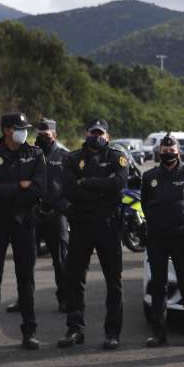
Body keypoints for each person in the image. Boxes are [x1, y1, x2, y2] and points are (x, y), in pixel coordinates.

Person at [0, 112, 45, 351]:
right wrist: (20, 186)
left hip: (24, 222)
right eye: (18, 128)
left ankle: (29, 331)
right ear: (6, 130)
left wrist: (5, 187)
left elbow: (38, 190)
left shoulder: (35, 154)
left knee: (26, 279)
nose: (23, 132)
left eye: (25, 128)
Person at [58, 119, 129, 350]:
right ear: (86, 133)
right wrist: (101, 187)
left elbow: (118, 184)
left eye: (100, 133)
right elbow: (69, 188)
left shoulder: (117, 157)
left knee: (114, 282)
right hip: (81, 224)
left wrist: (87, 183)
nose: (96, 136)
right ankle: (75, 329)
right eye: (93, 132)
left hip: (108, 226)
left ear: (107, 136)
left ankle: (112, 332)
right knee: (74, 279)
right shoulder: (72, 158)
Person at [141, 134, 184, 348]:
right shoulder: (149, 176)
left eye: (171, 150)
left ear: (178, 151)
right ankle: (158, 334)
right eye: (164, 149)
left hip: (180, 237)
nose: (168, 153)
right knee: (159, 286)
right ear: (159, 151)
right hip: (157, 238)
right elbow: (145, 204)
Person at [33, 118, 71, 314]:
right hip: (33, 213)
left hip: (56, 215)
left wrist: (59, 208)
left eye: (46, 135)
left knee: (61, 260)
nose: (42, 138)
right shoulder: (31, 154)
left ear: (54, 135)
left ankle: (64, 298)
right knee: (25, 260)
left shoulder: (65, 156)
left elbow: (71, 187)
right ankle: (25, 299)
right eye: (39, 135)